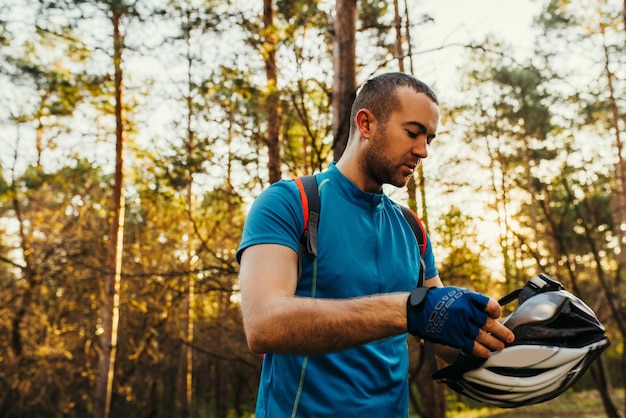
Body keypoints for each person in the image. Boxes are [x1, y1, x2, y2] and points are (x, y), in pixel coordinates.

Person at [236, 72, 515, 418]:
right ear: (366, 124)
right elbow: (263, 324)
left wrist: (521, 341)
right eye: (413, 133)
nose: (423, 151)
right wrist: (410, 309)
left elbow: (440, 332)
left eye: (429, 138)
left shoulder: (412, 229)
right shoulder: (291, 203)